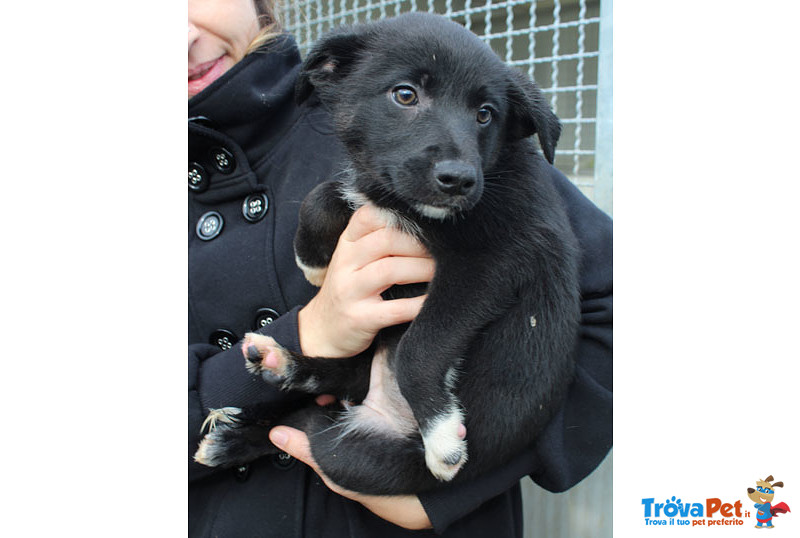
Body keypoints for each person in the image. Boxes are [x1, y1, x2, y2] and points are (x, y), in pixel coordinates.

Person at [188, 0, 613, 536]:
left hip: (429, 456)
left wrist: (463, 485)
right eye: (407, 97)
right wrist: (311, 333)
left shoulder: (495, 161)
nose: (179, 35)